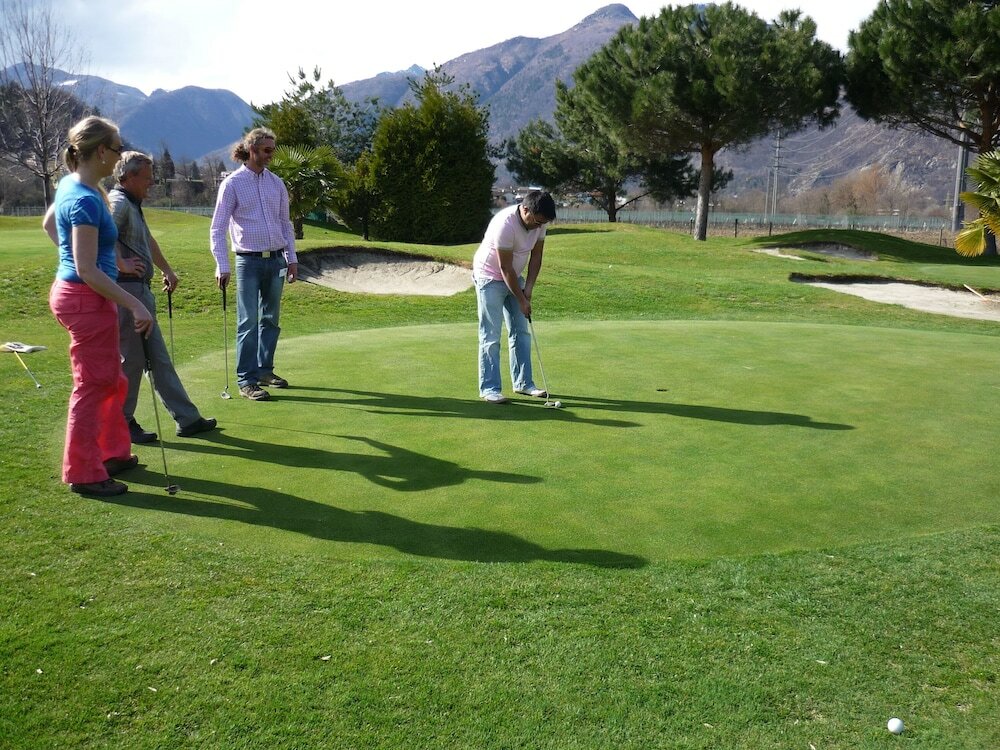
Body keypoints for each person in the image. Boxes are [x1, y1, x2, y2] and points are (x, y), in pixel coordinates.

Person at [42, 116, 153, 498]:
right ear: (102, 151)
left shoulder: (73, 184)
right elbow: (86, 269)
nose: (120, 155)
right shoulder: (86, 198)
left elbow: (48, 226)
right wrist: (136, 304)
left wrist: (112, 260)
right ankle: (84, 471)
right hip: (86, 299)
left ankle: (111, 452)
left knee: (111, 379)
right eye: (118, 148)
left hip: (82, 294)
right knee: (92, 385)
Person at [110, 151, 217, 442]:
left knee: (158, 359)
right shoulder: (119, 202)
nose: (152, 182)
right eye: (147, 177)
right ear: (128, 177)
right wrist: (121, 262)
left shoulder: (133, 203)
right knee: (131, 360)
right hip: (125, 291)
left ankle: (188, 419)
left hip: (139, 290)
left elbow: (147, 240)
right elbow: (98, 235)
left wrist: (167, 270)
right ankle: (123, 423)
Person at [209, 127, 297, 402]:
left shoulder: (276, 184)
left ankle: (264, 371)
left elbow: (285, 223)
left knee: (270, 320)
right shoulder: (233, 184)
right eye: (267, 150)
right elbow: (217, 228)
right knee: (248, 322)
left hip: (276, 261)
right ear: (252, 150)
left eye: (273, 150)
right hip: (248, 261)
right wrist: (221, 265)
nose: (271, 155)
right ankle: (246, 380)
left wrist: (292, 259)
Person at [471, 190, 556, 403]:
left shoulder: (540, 221)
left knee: (520, 330)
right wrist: (521, 299)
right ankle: (490, 389)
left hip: (514, 276)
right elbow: (505, 267)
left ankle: (524, 384)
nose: (539, 227)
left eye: (543, 223)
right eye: (537, 222)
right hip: (489, 277)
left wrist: (528, 290)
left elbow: (536, 256)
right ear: (525, 209)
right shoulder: (505, 224)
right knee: (490, 335)